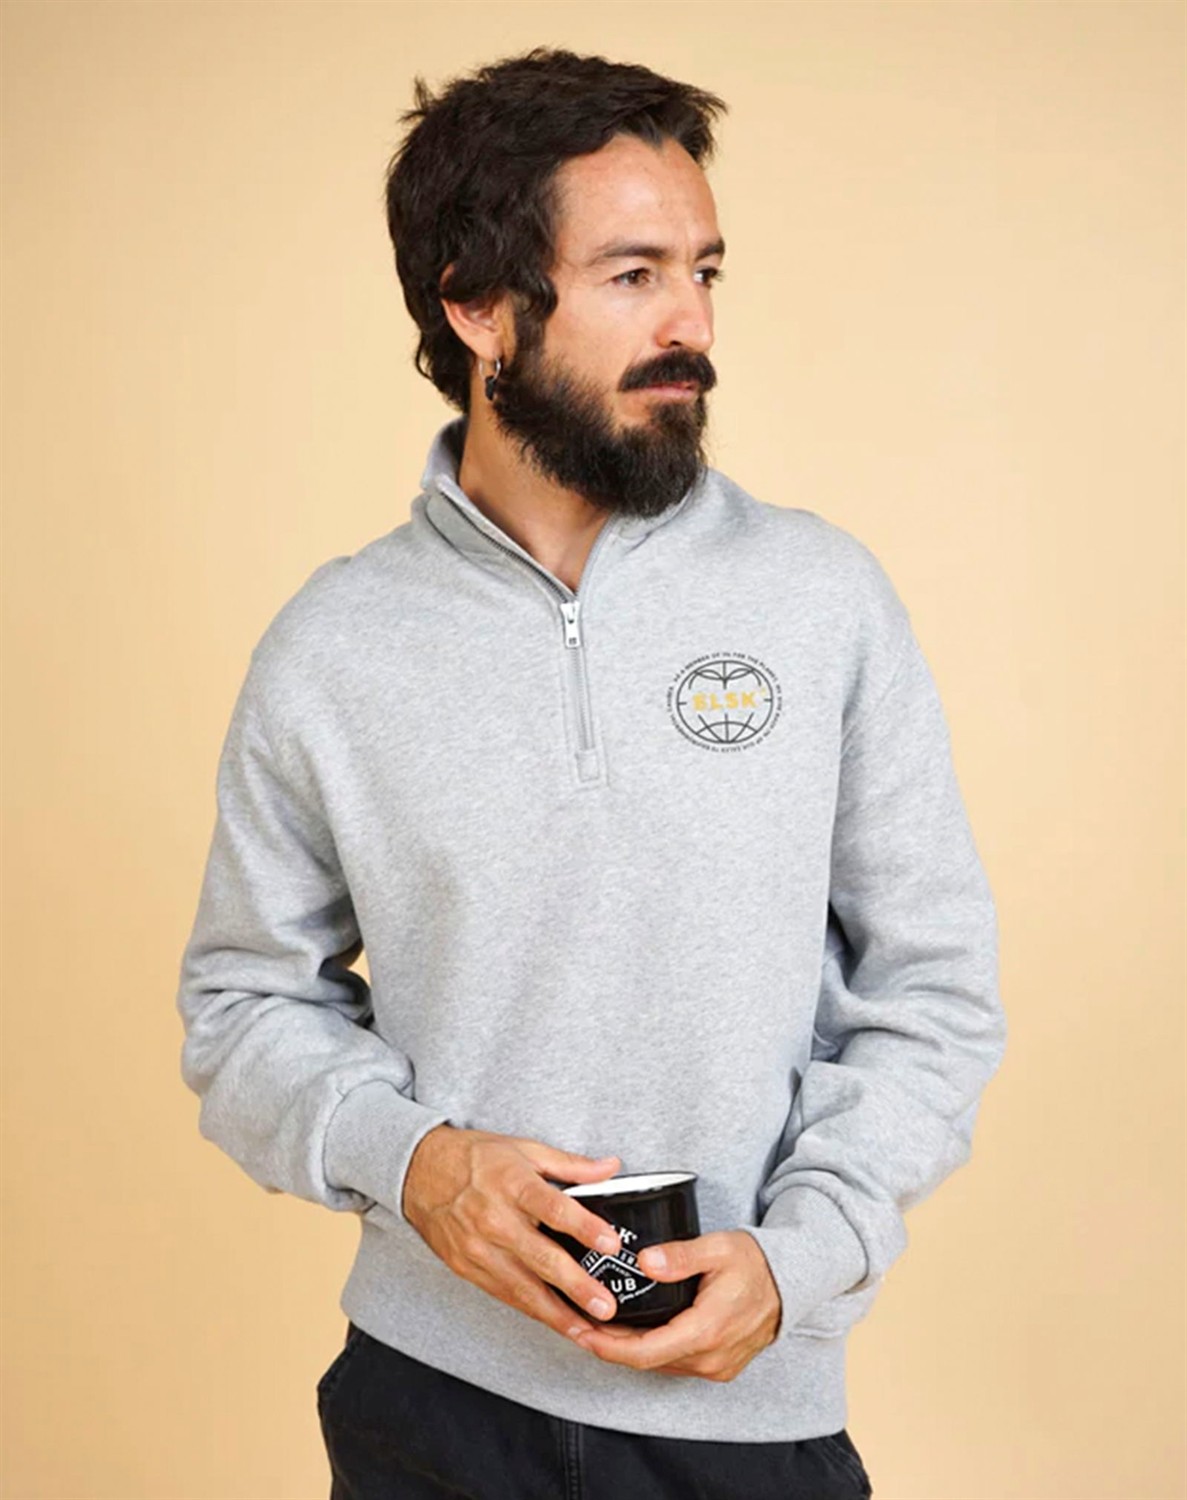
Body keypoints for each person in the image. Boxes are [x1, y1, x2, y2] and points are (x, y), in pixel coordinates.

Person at [176, 46, 1006, 1500]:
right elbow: (244, 1007)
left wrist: (805, 1256)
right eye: (633, 276)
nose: (693, 325)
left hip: (749, 1420)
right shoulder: (334, 646)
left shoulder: (822, 600)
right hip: (428, 1411)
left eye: (704, 272)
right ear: (475, 304)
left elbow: (932, 994)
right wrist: (416, 1161)